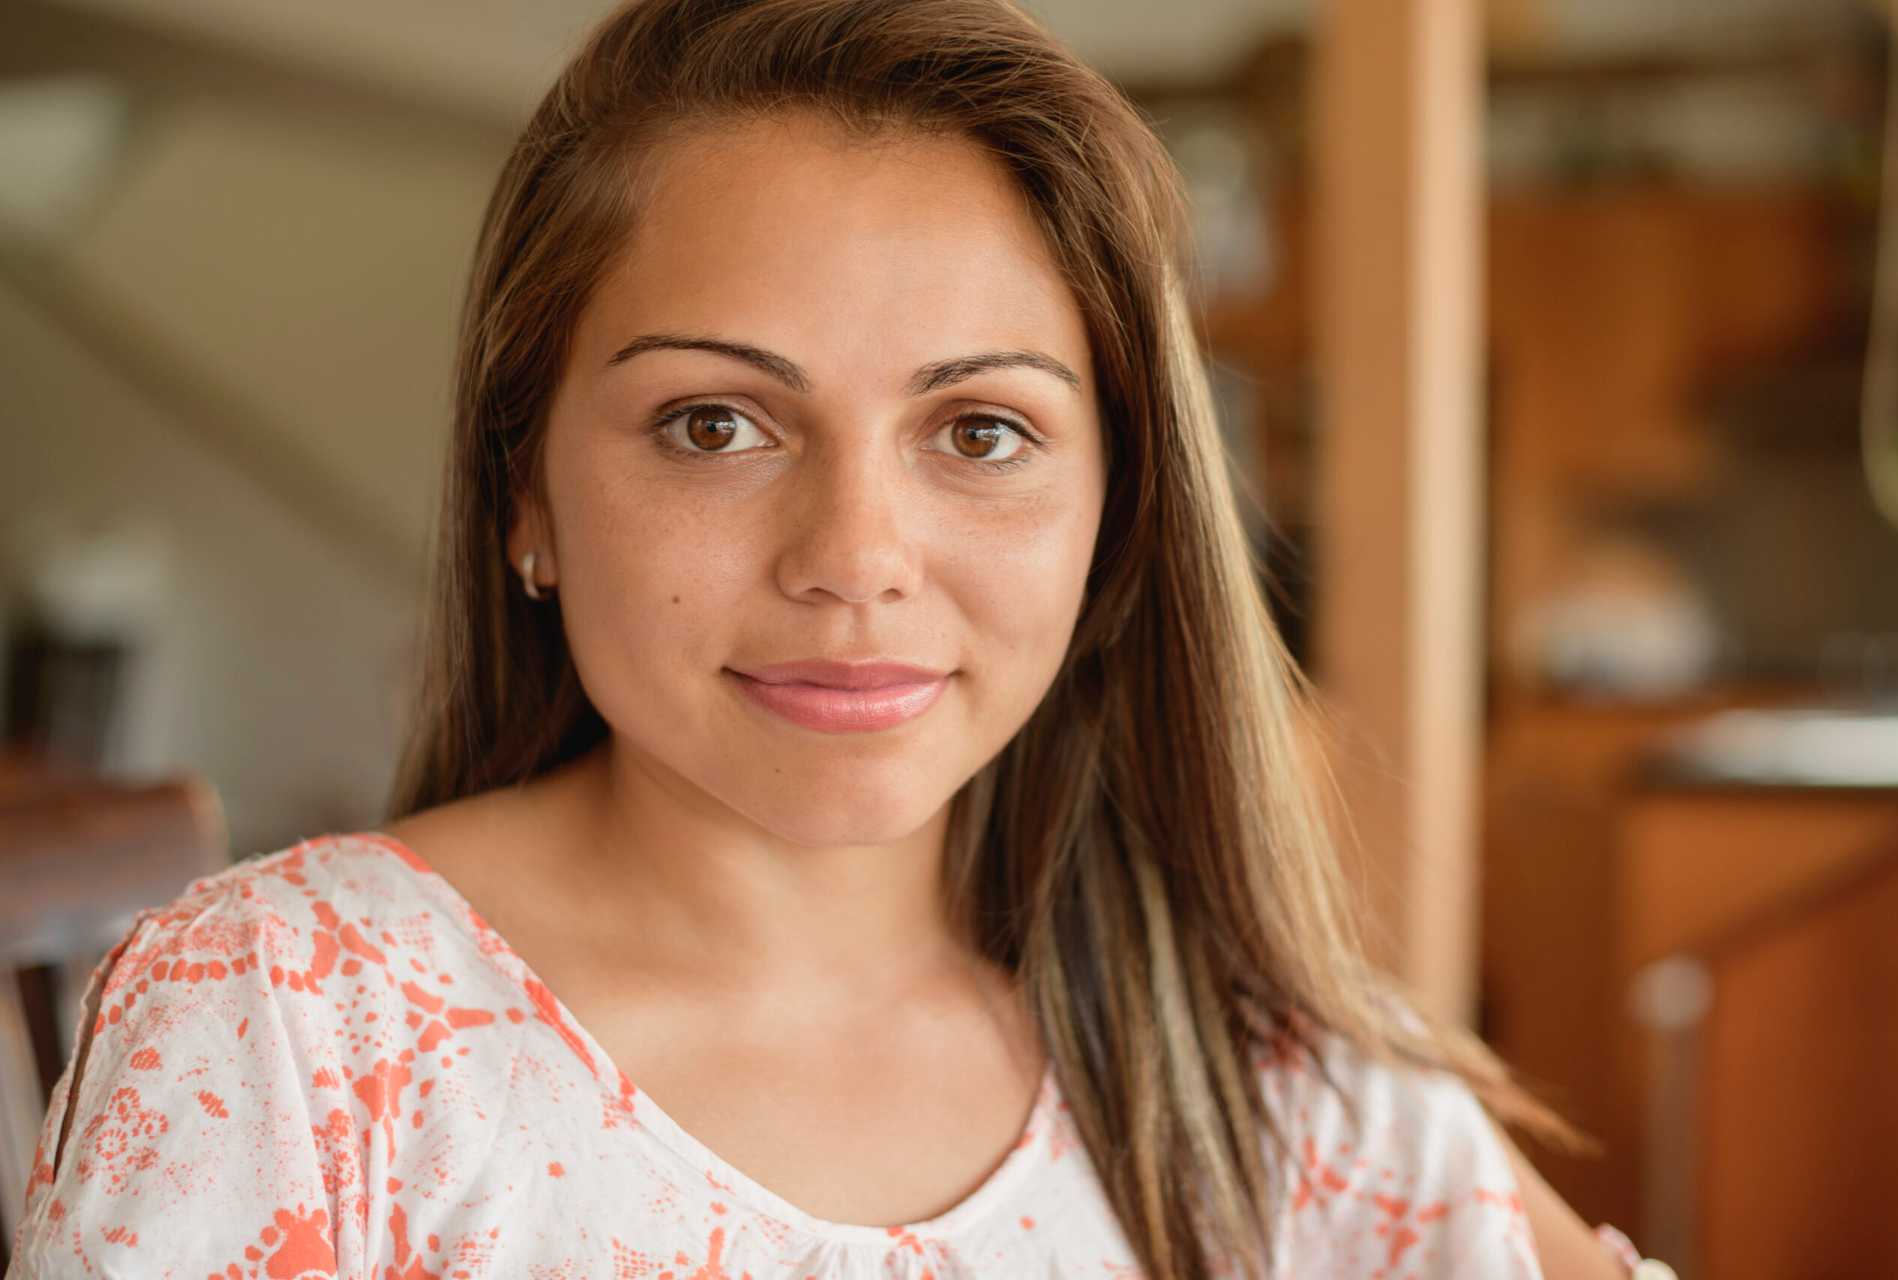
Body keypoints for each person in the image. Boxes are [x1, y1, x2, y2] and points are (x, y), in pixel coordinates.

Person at [8, 1, 1668, 1276]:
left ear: (1120, 515)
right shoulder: (291, 1030)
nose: (856, 561)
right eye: (715, 425)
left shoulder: (1284, 1107)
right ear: (526, 492)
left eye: (982, 432)